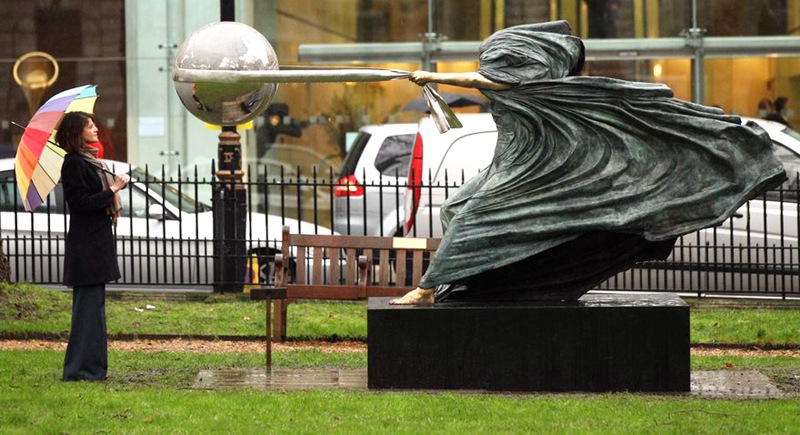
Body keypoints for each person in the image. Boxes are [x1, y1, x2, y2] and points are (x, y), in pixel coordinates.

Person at [391, 21, 785, 305]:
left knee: (471, 218)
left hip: (530, 173)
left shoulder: (525, 87)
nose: (490, 70)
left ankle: (426, 289)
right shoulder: (526, 92)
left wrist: (432, 75)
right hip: (509, 165)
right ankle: (482, 279)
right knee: (453, 206)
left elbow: (485, 81)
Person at [57, 111, 129, 381]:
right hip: (87, 246)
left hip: (96, 242)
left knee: (94, 309)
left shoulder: (90, 161)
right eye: (90, 126)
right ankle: (82, 370)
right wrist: (113, 189)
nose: (96, 128)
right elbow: (80, 203)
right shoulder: (74, 163)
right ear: (78, 132)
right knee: (87, 310)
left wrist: (111, 196)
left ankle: (92, 369)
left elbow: (94, 200)